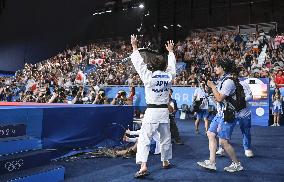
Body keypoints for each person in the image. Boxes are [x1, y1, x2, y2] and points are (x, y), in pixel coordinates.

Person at [130, 35, 176, 178]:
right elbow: (172, 67)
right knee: (165, 137)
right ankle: (165, 161)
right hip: (163, 111)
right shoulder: (168, 76)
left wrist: (135, 47)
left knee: (145, 139)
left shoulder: (148, 76)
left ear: (152, 66)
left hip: (151, 111)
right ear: (164, 66)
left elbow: (139, 64)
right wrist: (171, 52)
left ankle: (143, 165)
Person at [197, 59, 244, 173]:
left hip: (228, 115)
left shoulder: (228, 82)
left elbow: (219, 98)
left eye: (217, 66)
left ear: (223, 68)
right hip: (220, 114)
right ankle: (212, 162)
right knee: (211, 134)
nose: (215, 68)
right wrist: (210, 89)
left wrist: (212, 86)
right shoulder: (221, 80)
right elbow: (217, 99)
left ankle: (237, 164)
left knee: (223, 142)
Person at [216, 69, 254, 158]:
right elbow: (220, 97)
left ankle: (247, 148)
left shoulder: (243, 83)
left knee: (246, 131)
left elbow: (250, 95)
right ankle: (221, 148)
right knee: (224, 131)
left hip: (244, 113)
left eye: (232, 75)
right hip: (230, 112)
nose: (230, 77)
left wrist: (240, 101)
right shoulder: (225, 84)